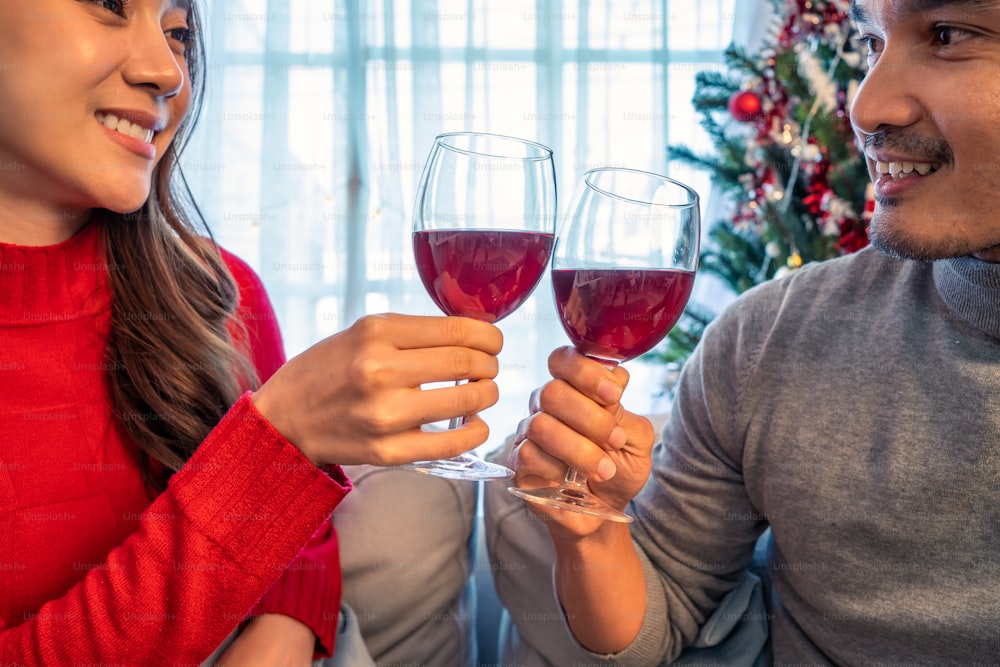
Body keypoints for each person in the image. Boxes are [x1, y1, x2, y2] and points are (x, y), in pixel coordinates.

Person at [0, 0, 502, 664]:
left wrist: (278, 633)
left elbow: (299, 549)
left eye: (178, 33)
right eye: (108, 6)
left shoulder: (217, 292)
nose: (166, 71)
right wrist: (275, 446)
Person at [502, 0, 1000, 664]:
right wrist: (589, 533)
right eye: (871, 41)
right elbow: (665, 609)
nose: (865, 106)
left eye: (947, 35)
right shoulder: (768, 337)